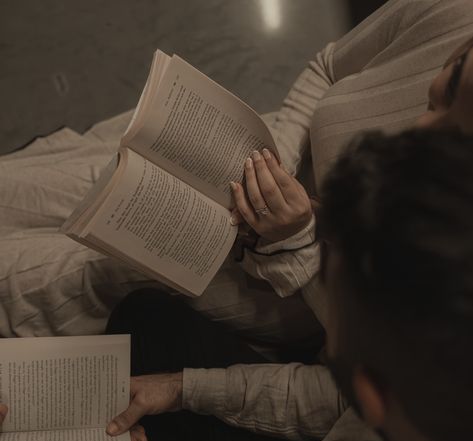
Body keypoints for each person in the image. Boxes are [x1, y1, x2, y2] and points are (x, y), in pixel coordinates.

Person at [2, 126, 473, 441]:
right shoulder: (422, 395)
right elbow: (330, 400)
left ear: (373, 390)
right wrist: (180, 388)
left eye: (336, 313)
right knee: (153, 317)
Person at [0, 0, 472, 352]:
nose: (418, 133)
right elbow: (327, 67)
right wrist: (274, 167)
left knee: (74, 277)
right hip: (245, 168)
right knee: (46, 184)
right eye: (444, 92)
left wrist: (298, 238)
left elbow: (372, 342)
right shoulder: (455, 12)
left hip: (295, 286)